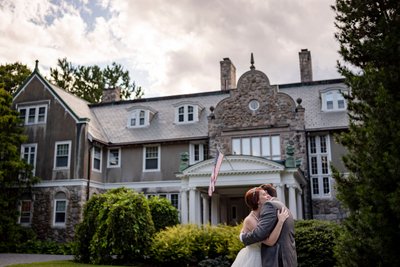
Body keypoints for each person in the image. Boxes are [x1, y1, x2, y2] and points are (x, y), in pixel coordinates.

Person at [241, 184, 298, 267]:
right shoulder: (250, 219)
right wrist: (242, 237)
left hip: (272, 257)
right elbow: (268, 240)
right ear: (257, 201)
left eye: (266, 193)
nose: (267, 196)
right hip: (257, 257)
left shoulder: (268, 210)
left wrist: (280, 221)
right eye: (264, 194)